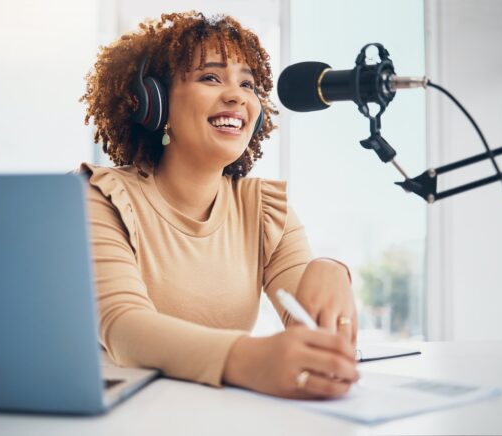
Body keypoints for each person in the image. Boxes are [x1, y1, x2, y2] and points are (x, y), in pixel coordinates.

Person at [78, 11, 358, 400]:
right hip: (125, 415)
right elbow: (125, 329)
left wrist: (329, 271)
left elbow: (306, 323)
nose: (238, 96)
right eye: (210, 77)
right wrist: (248, 359)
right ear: (151, 102)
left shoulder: (263, 208)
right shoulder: (102, 196)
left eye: (248, 83)